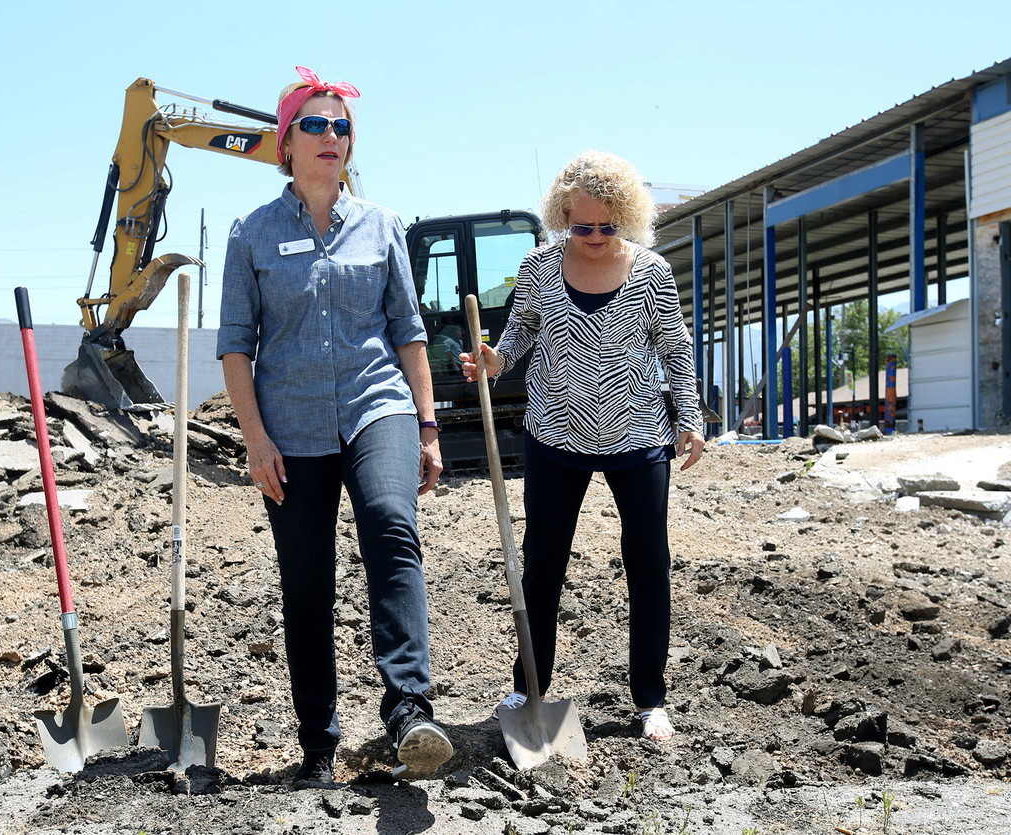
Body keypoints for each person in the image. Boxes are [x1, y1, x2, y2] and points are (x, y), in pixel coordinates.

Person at [217, 67, 453, 783]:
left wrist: (428, 423)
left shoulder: (382, 225)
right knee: (308, 580)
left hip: (377, 402)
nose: (331, 136)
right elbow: (235, 344)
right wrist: (256, 438)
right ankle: (318, 743)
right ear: (286, 142)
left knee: (390, 519)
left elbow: (408, 331)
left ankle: (409, 708)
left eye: (342, 125)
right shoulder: (251, 233)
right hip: (290, 426)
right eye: (315, 124)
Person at [462, 150, 704, 742]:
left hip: (638, 437)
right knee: (543, 563)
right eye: (581, 226)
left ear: (626, 216)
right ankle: (528, 686)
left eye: (607, 226)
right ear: (562, 216)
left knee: (647, 563)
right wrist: (492, 362)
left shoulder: (652, 272)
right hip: (556, 436)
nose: (594, 237)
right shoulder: (539, 268)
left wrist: (690, 417)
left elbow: (675, 351)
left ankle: (650, 697)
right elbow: (517, 337)